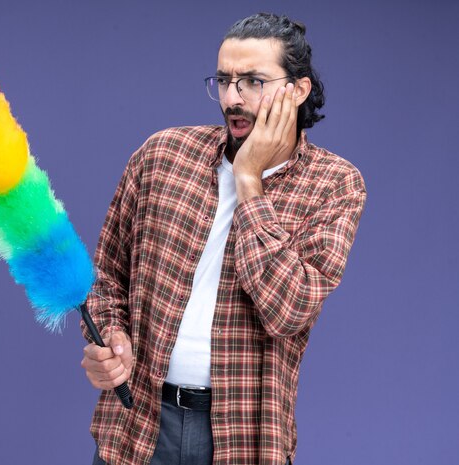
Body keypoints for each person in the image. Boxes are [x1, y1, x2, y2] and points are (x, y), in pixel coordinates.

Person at [81, 12, 366, 465]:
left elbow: (288, 308)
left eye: (253, 81)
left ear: (299, 89)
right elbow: (106, 274)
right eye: (224, 80)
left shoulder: (334, 184)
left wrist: (249, 178)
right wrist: (111, 339)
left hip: (243, 439)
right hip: (137, 428)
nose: (233, 98)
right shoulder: (162, 156)